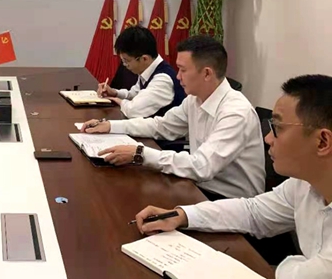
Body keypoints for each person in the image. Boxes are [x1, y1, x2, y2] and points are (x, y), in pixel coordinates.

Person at [134, 75, 332, 278]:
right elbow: (253, 212)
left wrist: (291, 264)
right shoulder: (302, 184)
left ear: (323, 142)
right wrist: (183, 215)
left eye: (277, 128)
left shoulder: (236, 110)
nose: (267, 138)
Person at [82, 35, 265, 200]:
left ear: (207, 73)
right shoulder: (194, 99)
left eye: (182, 70)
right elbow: (161, 126)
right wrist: (110, 126)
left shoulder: (235, 113)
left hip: (230, 201)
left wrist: (140, 154)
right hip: (199, 187)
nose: (177, 76)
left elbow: (202, 167)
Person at [97, 26, 185, 117]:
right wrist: (115, 93)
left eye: (126, 61)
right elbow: (135, 93)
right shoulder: (148, 70)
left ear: (144, 59)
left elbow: (133, 110)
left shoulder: (162, 80)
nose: (124, 65)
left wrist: (118, 101)